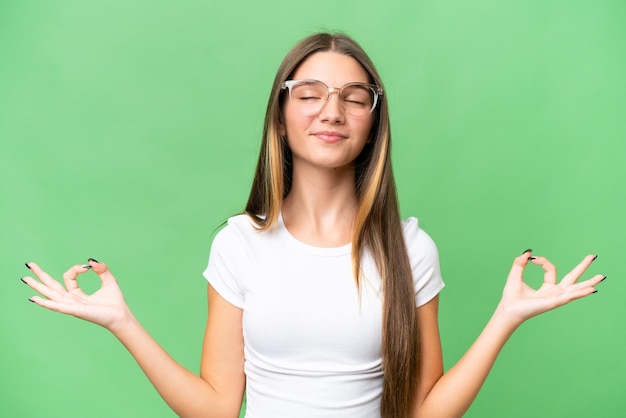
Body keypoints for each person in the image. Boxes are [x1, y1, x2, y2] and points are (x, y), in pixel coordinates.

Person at [21, 32, 604, 418]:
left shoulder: (410, 247)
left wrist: (507, 317)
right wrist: (122, 321)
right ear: (281, 115)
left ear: (373, 123)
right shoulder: (239, 243)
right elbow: (218, 407)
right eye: (311, 94)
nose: (332, 110)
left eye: (354, 97)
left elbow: (425, 411)